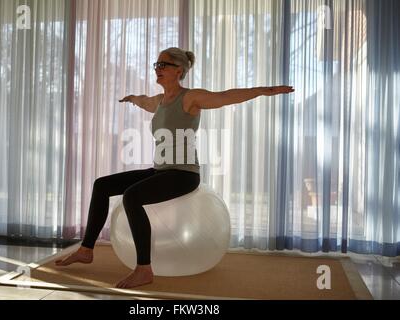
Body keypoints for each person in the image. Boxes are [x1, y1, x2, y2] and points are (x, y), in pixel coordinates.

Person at [55, 47, 294, 289]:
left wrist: (265, 91)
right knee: (102, 185)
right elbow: (144, 101)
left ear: (178, 70)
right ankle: (86, 250)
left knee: (132, 196)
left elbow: (225, 96)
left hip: (183, 174)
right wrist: (132, 99)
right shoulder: (159, 101)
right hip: (160, 170)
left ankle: (143, 269)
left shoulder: (191, 98)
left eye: (163, 65)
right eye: (156, 65)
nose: (157, 69)